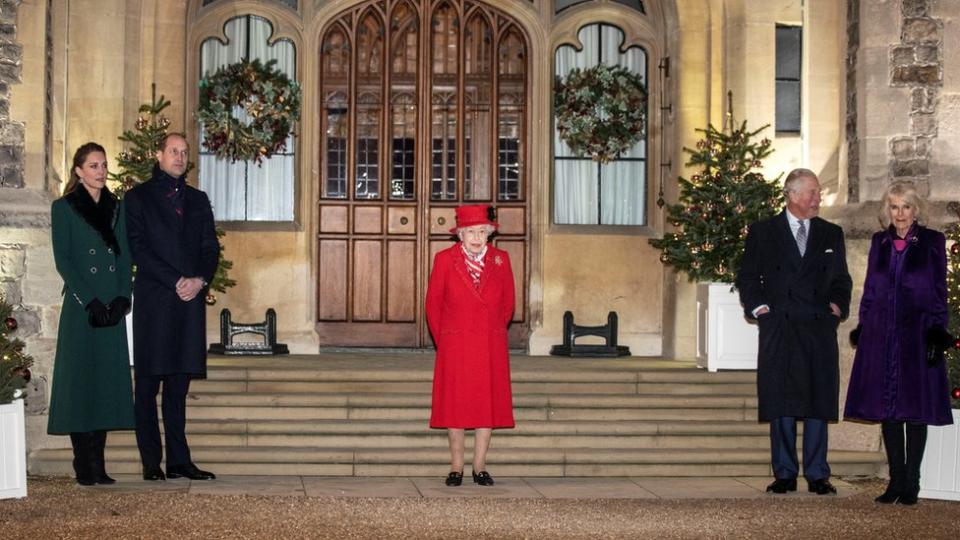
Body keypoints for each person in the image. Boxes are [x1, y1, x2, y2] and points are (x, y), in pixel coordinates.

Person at [736, 168, 853, 496]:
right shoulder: (763, 232)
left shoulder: (831, 233)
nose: (818, 198)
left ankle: (818, 473)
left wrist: (836, 307)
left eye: (818, 193)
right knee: (781, 401)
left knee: (817, 400)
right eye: (812, 193)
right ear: (792, 195)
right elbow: (748, 277)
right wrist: (761, 309)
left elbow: (842, 280)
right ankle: (784, 472)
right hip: (781, 328)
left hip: (818, 327)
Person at [844, 180, 954, 505]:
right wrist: (863, 327)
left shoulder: (933, 242)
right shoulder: (879, 242)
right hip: (881, 334)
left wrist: (937, 331)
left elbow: (938, 292)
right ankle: (895, 480)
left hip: (918, 334)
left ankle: (912, 483)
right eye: (894, 207)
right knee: (888, 410)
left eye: (906, 207)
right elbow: (870, 290)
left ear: (916, 209)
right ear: (887, 210)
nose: (900, 213)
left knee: (915, 410)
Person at [124, 132, 219, 481]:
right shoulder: (137, 198)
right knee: (148, 387)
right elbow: (138, 249)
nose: (179, 157)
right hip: (155, 302)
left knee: (178, 388)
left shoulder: (198, 199)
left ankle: (180, 460)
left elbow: (211, 248)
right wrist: (175, 280)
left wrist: (199, 281)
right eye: (173, 151)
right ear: (158, 155)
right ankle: (152, 462)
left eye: (184, 152)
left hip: (189, 304)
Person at [48, 142, 135, 485]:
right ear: (79, 170)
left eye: (103, 165)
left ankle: (99, 463)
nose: (101, 171)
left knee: (105, 384)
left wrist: (122, 298)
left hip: (111, 309)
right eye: (94, 165)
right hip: (82, 310)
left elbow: (125, 256)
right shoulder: (64, 208)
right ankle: (83, 462)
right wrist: (90, 300)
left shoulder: (117, 208)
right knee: (80, 382)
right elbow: (63, 261)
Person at [425, 204, 515, 487]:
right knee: (455, 406)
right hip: (455, 343)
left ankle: (479, 467)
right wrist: (447, 340)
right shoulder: (443, 260)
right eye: (471, 232)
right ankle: (456, 467)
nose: (476, 237)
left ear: (489, 234)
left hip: (490, 344)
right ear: (460, 235)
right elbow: (433, 305)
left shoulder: (501, 260)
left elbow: (508, 304)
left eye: (482, 232)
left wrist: (492, 331)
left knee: (486, 406)